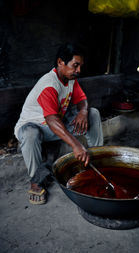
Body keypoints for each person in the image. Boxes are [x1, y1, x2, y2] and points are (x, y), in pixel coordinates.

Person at [14, 42, 104, 205]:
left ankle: (97, 158)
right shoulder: (49, 84)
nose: (79, 71)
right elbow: (51, 120)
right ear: (60, 62)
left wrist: (83, 111)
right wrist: (76, 144)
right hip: (35, 126)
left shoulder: (70, 78)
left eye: (80, 66)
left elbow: (82, 99)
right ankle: (36, 180)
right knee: (30, 134)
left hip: (55, 125)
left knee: (93, 113)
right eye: (75, 65)